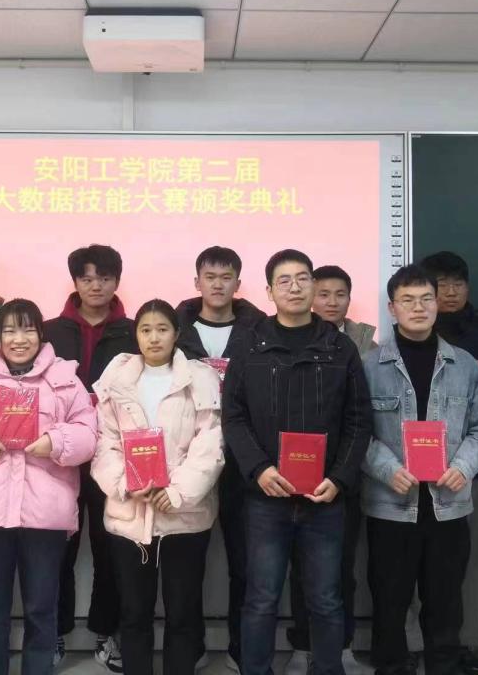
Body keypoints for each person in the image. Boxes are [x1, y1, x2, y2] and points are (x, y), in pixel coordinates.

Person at [222, 249, 374, 675]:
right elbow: (233, 416)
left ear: (313, 286)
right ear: (269, 291)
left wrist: (340, 478)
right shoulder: (249, 346)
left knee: (325, 599)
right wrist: (259, 469)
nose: (294, 287)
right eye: (284, 280)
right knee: (260, 598)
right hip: (265, 498)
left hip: (325, 498)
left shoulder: (340, 347)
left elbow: (358, 419)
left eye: (302, 278)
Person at [0, 298, 98, 675]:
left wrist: (55, 442)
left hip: (45, 513)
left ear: (41, 334)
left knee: (42, 609)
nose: (18, 339)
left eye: (27, 329)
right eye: (9, 330)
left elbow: (88, 433)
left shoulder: (64, 379)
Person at [361, 264, 478, 675]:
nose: (418, 307)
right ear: (392, 308)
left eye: (426, 299)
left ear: (437, 305)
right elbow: (355, 431)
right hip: (391, 504)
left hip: (448, 504)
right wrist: (386, 468)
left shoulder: (466, 365)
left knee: (445, 602)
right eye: (408, 300)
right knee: (389, 600)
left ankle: (444, 667)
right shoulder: (368, 366)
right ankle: (391, 667)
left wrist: (463, 466)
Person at [92, 299, 224, 675]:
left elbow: (210, 443)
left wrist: (177, 491)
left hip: (184, 516)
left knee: (183, 614)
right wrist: (125, 484)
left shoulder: (200, 378)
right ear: (136, 335)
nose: (154, 338)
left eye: (162, 329)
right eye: (146, 330)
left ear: (176, 334)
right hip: (129, 516)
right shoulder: (117, 379)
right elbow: (105, 443)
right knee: (134, 614)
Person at [45, 244, 137, 671]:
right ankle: (54, 631)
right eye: (87, 278)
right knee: (58, 548)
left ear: (117, 281)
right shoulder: (49, 331)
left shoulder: (135, 332)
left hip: (114, 456)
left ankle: (107, 631)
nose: (95, 285)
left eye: (104, 277)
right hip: (59, 456)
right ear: (75, 282)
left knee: (110, 547)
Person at [286, 263, 378, 674]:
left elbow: (364, 415)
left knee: (340, 570)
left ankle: (341, 646)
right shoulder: (283, 340)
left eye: (340, 294)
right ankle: (302, 645)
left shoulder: (366, 346)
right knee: (299, 570)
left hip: (343, 477)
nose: (331, 302)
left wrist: (343, 472)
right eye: (323, 293)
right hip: (292, 474)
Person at [175, 245, 264, 673]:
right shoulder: (174, 329)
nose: (217, 284)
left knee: (246, 565)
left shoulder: (261, 330)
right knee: (187, 567)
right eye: (209, 277)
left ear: (238, 283)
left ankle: (241, 649)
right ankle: (189, 649)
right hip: (188, 461)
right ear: (197, 282)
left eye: (226, 277)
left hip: (245, 464)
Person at [419, 251, 478, 669]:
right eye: (441, 284)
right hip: (417, 470)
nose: (451, 292)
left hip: (476, 467)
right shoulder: (411, 332)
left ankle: (466, 641)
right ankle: (416, 642)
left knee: (471, 559)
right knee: (415, 562)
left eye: (458, 283)